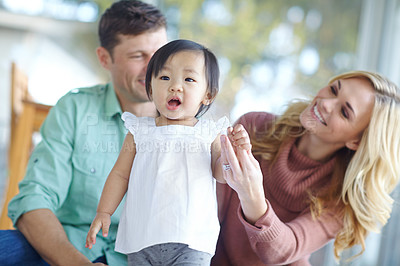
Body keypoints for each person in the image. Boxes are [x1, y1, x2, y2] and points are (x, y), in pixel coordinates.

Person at [0, 1, 168, 265]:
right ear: (104, 58)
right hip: (68, 248)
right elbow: (34, 199)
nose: (154, 67)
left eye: (160, 53)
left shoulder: (187, 128)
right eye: (138, 56)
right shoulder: (75, 108)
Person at [85, 39, 250, 266]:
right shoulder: (139, 131)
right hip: (142, 238)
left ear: (208, 95)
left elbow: (220, 173)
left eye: (189, 79)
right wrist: (104, 211)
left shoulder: (209, 133)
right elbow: (120, 175)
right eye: (165, 77)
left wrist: (233, 153)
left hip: (191, 240)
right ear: (151, 88)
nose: (175, 86)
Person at [212, 70, 400, 265]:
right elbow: (208, 211)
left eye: (344, 112)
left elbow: (282, 251)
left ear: (356, 141)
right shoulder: (254, 128)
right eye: (334, 89)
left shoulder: (341, 200)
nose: (326, 103)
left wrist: (252, 196)